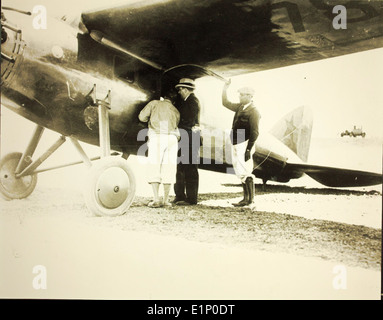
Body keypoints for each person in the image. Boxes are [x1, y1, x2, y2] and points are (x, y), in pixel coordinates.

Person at [222, 80, 261, 207]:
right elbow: (225, 103)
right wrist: (225, 89)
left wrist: (249, 149)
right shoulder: (240, 107)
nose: (240, 96)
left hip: (244, 143)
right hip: (236, 142)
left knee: (246, 170)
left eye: (243, 94)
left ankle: (250, 200)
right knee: (239, 171)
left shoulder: (254, 111)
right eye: (240, 94)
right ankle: (246, 199)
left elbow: (255, 132)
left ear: (250, 96)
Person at [138, 95, 180, 208]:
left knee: (154, 167)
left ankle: (156, 199)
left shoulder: (154, 103)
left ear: (163, 96)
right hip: (172, 139)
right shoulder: (175, 110)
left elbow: (141, 117)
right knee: (169, 168)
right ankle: (166, 201)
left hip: (157, 137)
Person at [173, 78, 201, 205]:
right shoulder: (187, 101)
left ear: (186, 89)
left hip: (189, 138)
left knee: (190, 168)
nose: (179, 92)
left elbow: (189, 121)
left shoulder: (193, 101)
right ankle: (180, 196)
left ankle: (191, 199)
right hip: (185, 137)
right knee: (181, 167)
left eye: (180, 89)